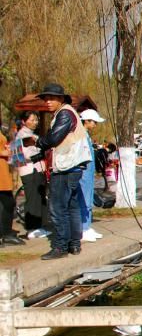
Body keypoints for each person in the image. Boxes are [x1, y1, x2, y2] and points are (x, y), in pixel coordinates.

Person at [30, 83, 91, 259]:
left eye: (52, 98)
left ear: (61, 99)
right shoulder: (65, 113)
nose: (48, 102)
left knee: (57, 207)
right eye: (46, 98)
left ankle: (60, 246)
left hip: (66, 167)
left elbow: (53, 138)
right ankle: (74, 243)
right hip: (71, 165)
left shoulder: (65, 114)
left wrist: (38, 141)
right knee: (71, 206)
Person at [15, 111, 49, 238]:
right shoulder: (22, 134)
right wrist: (40, 153)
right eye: (32, 119)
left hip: (37, 169)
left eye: (36, 120)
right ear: (24, 121)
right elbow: (23, 154)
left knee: (39, 197)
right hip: (29, 170)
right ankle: (32, 228)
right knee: (32, 198)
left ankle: (39, 226)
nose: (35, 122)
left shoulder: (31, 134)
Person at [78, 109, 105, 242]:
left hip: (89, 171)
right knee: (84, 199)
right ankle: (83, 227)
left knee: (88, 198)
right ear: (86, 121)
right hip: (83, 172)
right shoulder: (80, 135)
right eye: (94, 122)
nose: (95, 124)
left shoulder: (86, 134)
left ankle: (87, 226)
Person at [0, 123, 24, 247]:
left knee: (7, 203)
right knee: (8, 202)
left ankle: (5, 232)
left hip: (3, 170)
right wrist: (3, 152)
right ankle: (6, 234)